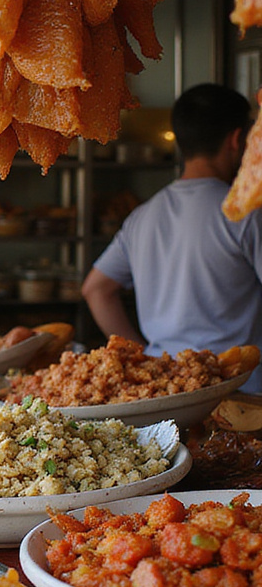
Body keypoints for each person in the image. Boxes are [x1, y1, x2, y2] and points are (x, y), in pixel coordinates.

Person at [82, 82, 262, 391]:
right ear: (237, 140)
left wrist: (145, 357)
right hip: (237, 391)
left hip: (167, 388)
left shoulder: (142, 216)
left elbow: (96, 290)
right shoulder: (244, 212)